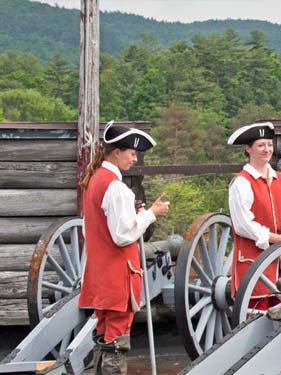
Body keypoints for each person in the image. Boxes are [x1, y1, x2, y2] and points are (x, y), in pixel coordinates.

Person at [78, 121, 170, 375]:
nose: (135, 158)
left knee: (104, 334)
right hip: (118, 275)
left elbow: (94, 230)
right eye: (131, 152)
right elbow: (122, 235)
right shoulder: (116, 187)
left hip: (99, 273)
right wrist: (151, 213)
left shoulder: (95, 180)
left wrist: (135, 215)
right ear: (117, 152)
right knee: (117, 339)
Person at [228, 121, 281, 310]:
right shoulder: (241, 183)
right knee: (254, 317)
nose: (267, 149)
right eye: (261, 145)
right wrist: (274, 238)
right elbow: (243, 224)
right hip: (253, 262)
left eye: (269, 144)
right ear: (248, 149)